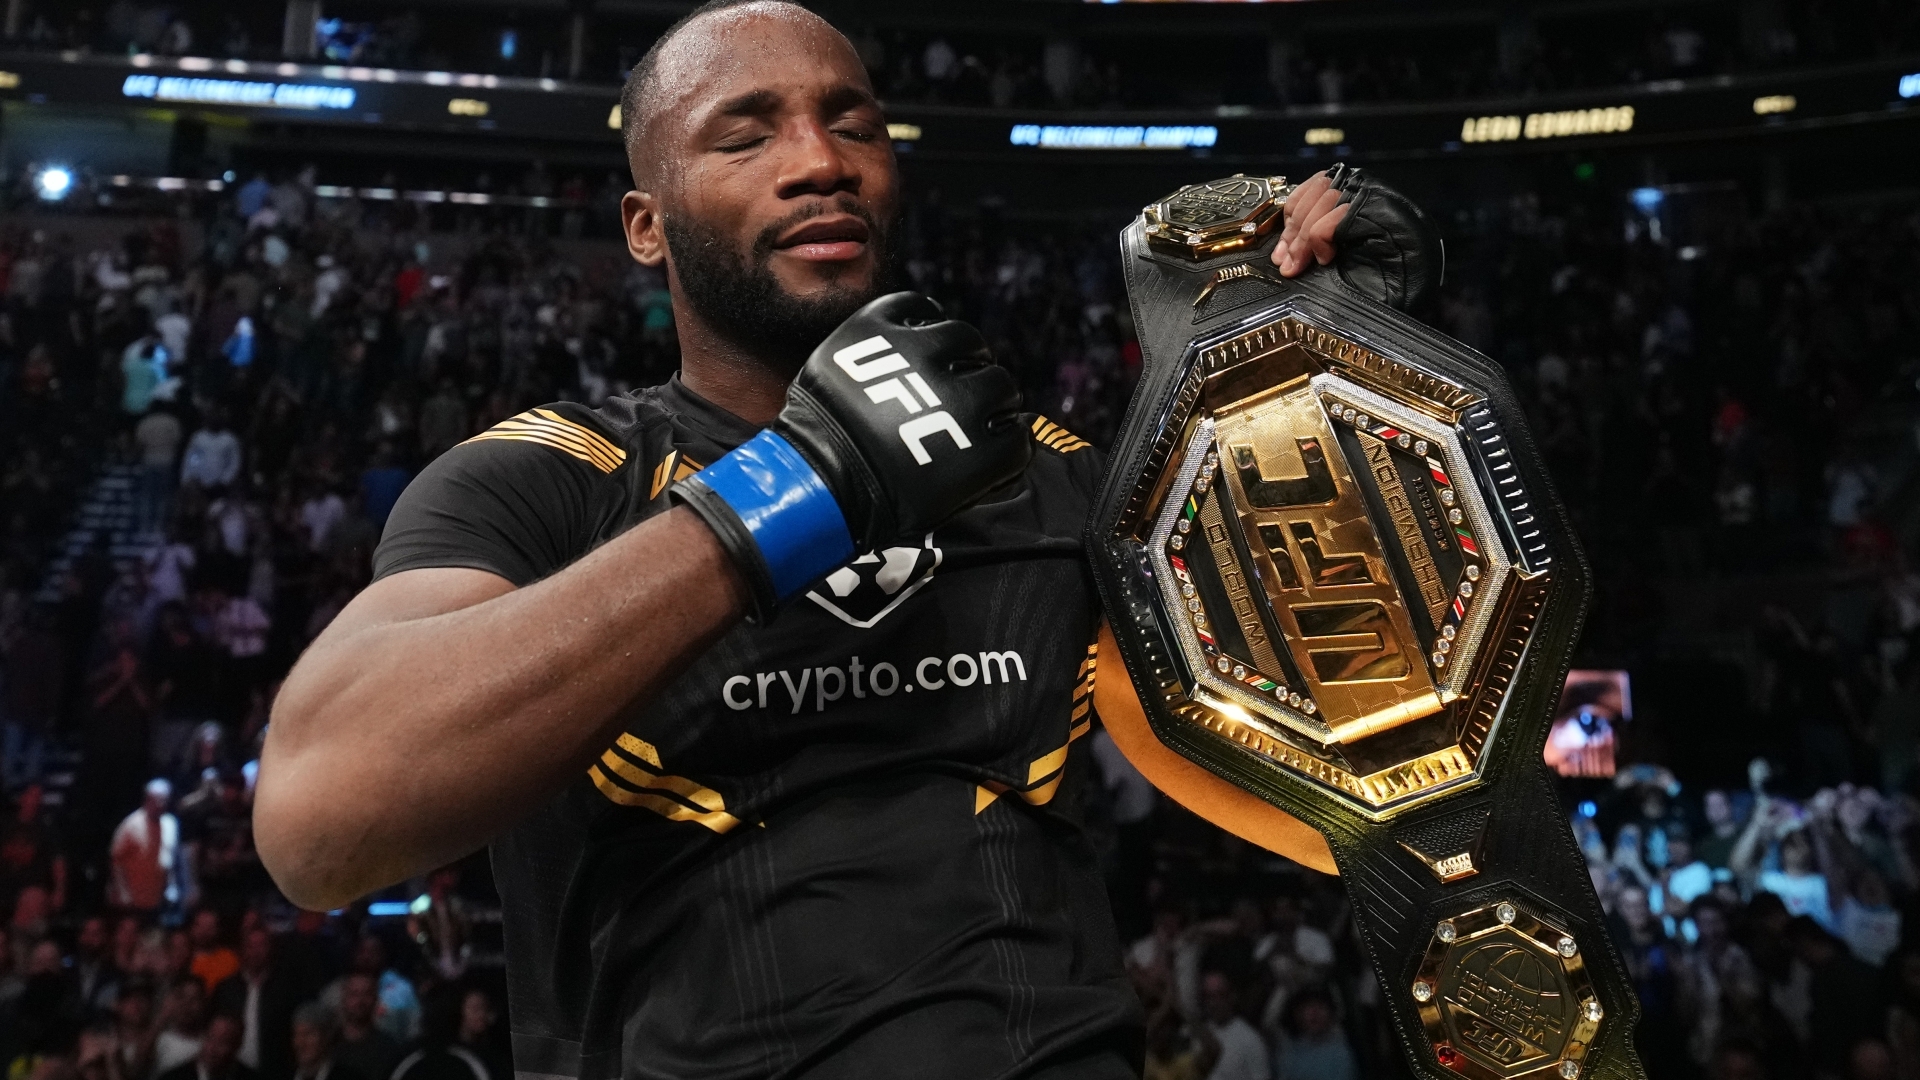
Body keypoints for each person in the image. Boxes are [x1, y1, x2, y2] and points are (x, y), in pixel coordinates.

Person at [255, 3, 1428, 1077]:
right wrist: (799, 486)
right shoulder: (548, 481)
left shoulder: (1057, 473)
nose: (820, 163)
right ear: (646, 228)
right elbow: (320, 820)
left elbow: (1361, 799)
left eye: (852, 125)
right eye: (745, 136)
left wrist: (1329, 397)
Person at [212, 927, 298, 1080]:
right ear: (242, 949)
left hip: (275, 1072)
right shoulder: (226, 988)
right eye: (250, 946)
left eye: (261, 945)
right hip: (230, 1072)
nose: (256, 951)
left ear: (270, 949)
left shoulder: (286, 989)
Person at [108, 779, 178, 915]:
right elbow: (116, 860)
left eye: (165, 800)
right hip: (131, 900)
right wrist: (123, 892)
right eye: (158, 800)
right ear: (148, 799)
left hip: (157, 899)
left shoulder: (170, 824)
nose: (161, 804)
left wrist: (171, 886)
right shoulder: (131, 825)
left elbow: (169, 859)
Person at [1198, 971, 1268, 1080]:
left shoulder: (1250, 1040)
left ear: (1232, 996)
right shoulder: (1199, 1034)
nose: (1214, 1003)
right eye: (1209, 997)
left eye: (1220, 995)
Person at [333, 973, 402, 1080]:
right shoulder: (328, 1044)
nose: (360, 1001)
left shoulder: (388, 1048)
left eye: (367, 994)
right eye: (354, 994)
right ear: (344, 998)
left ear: (376, 999)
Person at [158, 1014, 256, 1080]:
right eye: (210, 1038)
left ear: (237, 1045)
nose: (212, 1048)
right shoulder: (174, 1077)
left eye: (222, 1042)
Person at [291, 1002, 365, 1080]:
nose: (300, 1043)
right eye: (296, 1035)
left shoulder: (348, 1077)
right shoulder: (284, 1075)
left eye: (308, 1034)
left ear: (326, 1036)